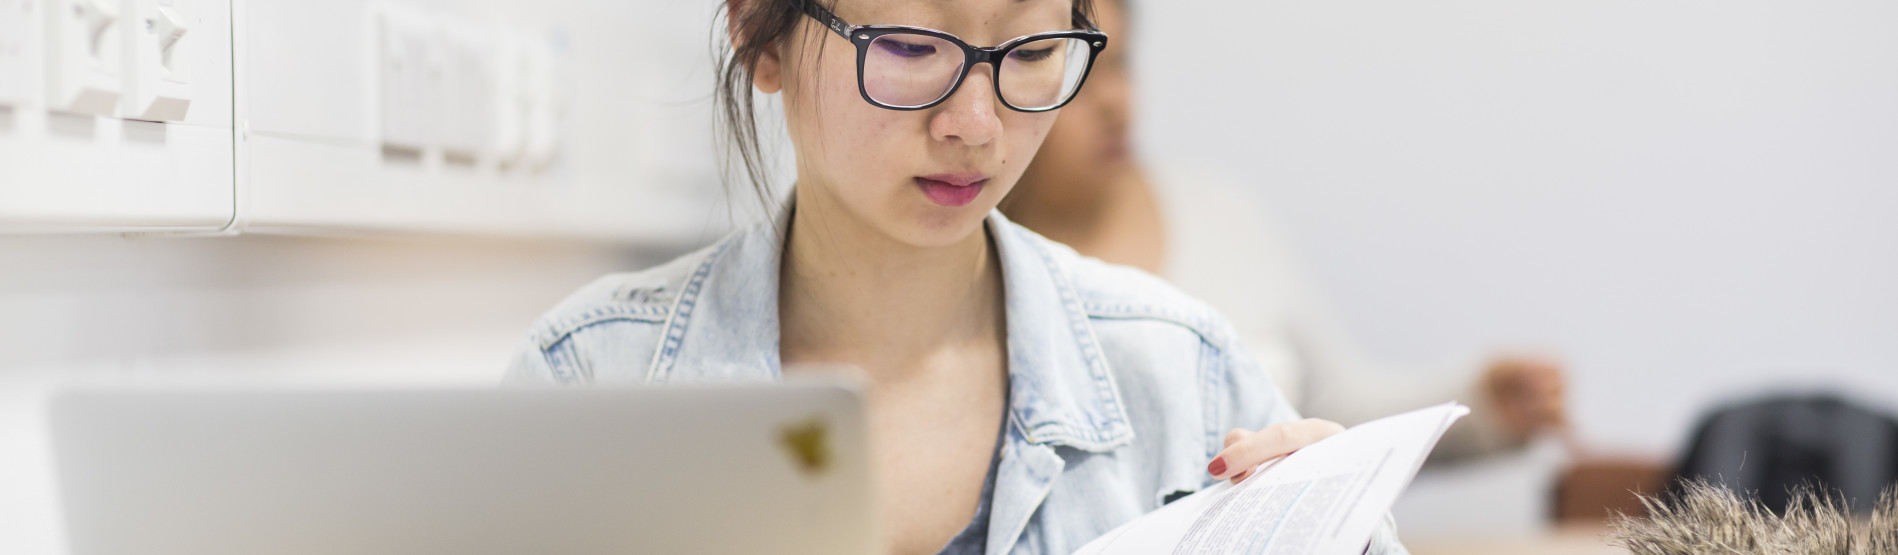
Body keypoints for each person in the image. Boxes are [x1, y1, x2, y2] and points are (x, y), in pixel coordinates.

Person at [507, 0, 1406, 553]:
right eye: (910, 47)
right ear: (758, 30)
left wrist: (1341, 527)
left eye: (1031, 52)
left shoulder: (1186, 376)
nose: (976, 125)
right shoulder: (591, 383)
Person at [1002, 0, 1566, 462]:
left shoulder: (1218, 212)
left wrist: (1477, 410)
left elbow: (1331, 410)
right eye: (1079, 75)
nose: (1115, 105)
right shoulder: (981, 273)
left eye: (1121, 65)